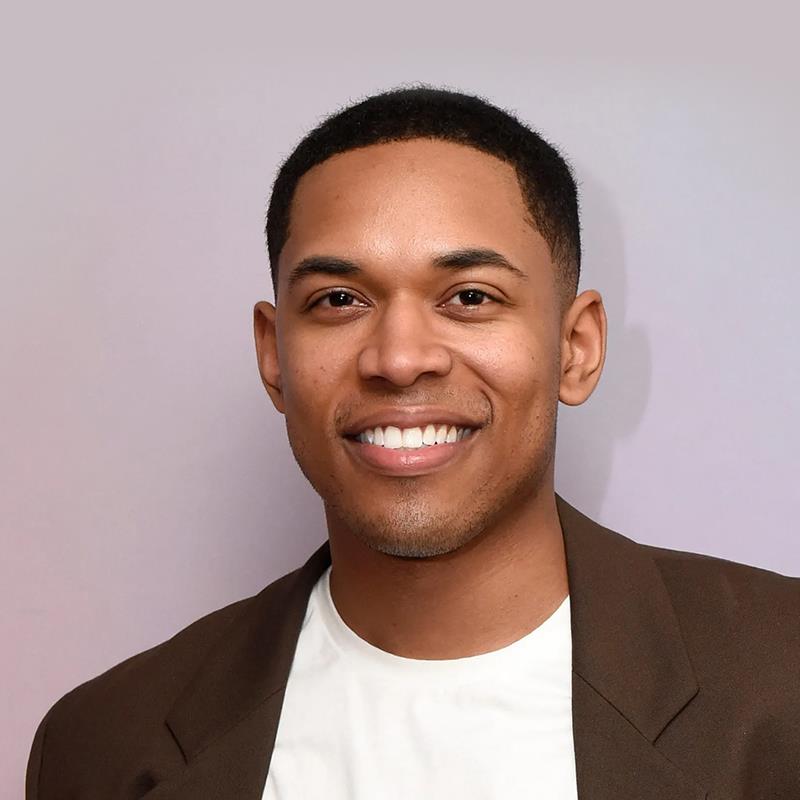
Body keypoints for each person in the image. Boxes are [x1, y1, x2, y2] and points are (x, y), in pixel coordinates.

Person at [26, 87, 799, 799]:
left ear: (576, 348)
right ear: (274, 355)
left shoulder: (781, 678)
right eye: (339, 299)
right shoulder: (101, 747)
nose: (399, 358)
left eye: (470, 296)